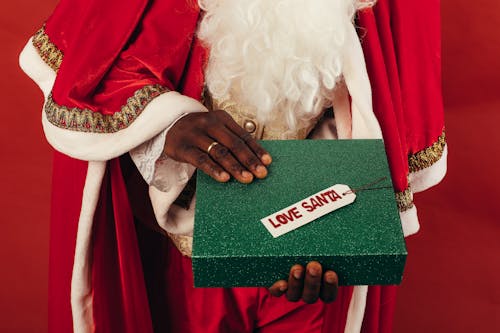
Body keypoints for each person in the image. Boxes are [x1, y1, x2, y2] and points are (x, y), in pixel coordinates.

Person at [20, 0, 447, 332]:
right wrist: (165, 123)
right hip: (183, 249)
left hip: (314, 258)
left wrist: (330, 230)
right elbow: (95, 61)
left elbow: (381, 93)